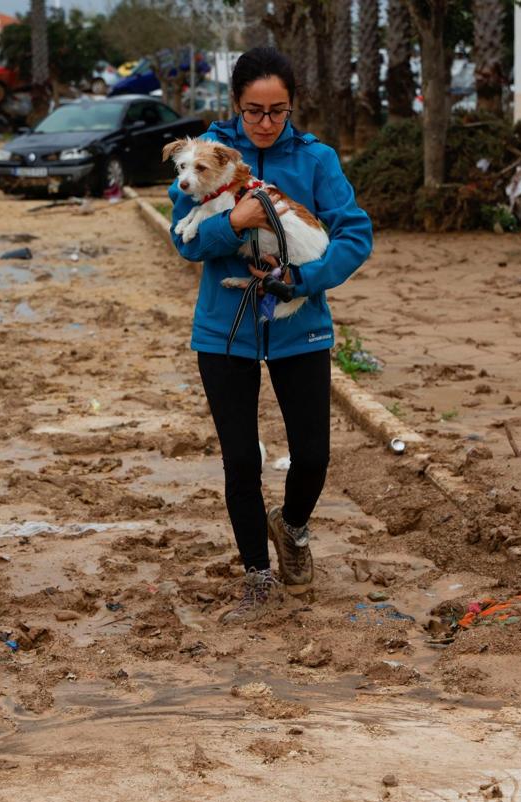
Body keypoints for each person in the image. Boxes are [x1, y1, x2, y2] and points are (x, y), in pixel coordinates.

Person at [167, 47, 373, 624]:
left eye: (277, 111)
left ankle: (295, 527)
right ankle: (257, 575)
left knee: (312, 453)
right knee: (240, 461)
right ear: (235, 105)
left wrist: (302, 278)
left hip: (299, 325)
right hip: (222, 329)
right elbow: (185, 242)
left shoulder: (316, 158)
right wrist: (234, 223)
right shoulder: (203, 155)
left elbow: (354, 233)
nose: (265, 122)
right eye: (254, 110)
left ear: (291, 108)